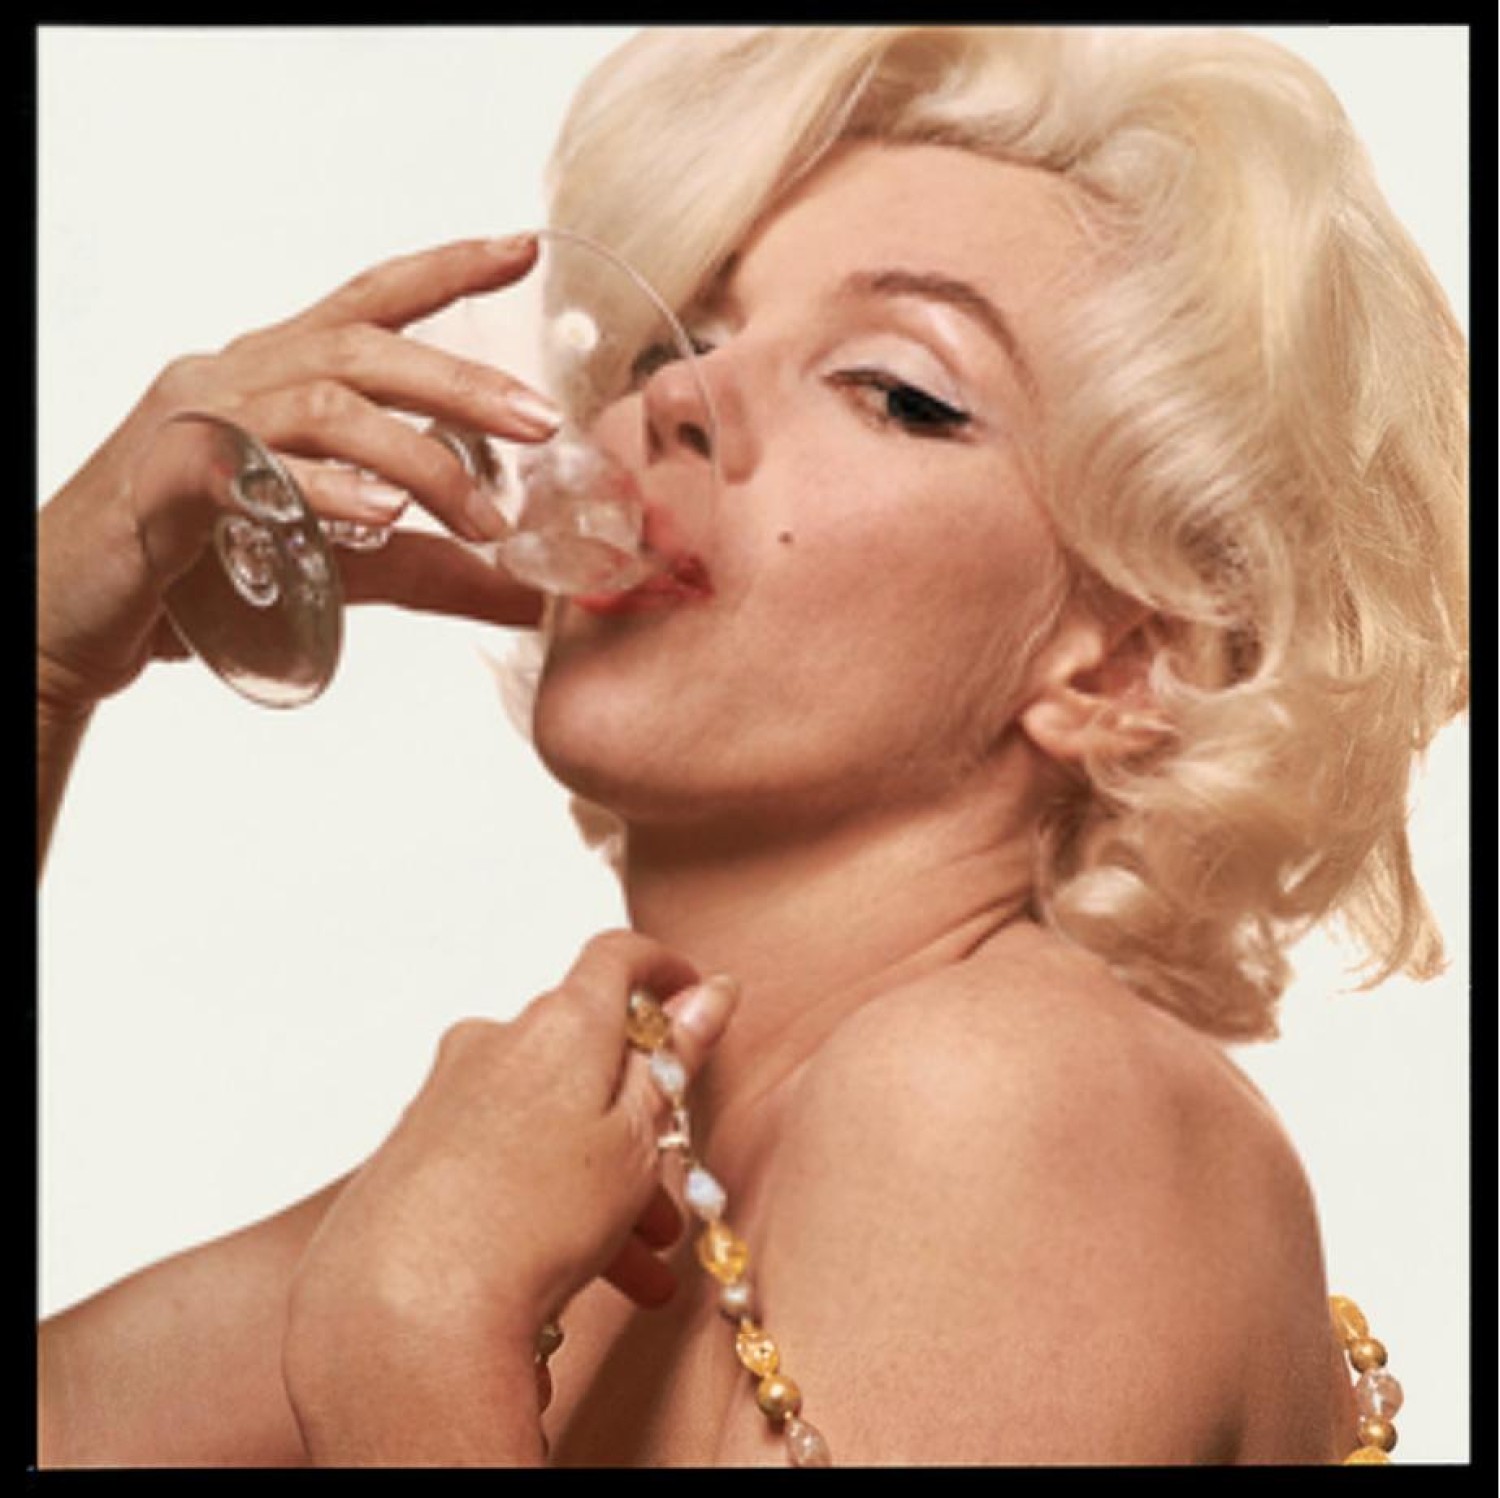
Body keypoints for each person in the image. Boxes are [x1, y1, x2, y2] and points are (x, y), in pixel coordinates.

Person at [35, 26, 1467, 1466]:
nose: (673, 397)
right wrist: (46, 657)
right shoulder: (601, 1172)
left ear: (1121, 662)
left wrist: (411, 1356)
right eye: (680, 342)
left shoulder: (1009, 1092)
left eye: (896, 390)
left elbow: (390, 1349)